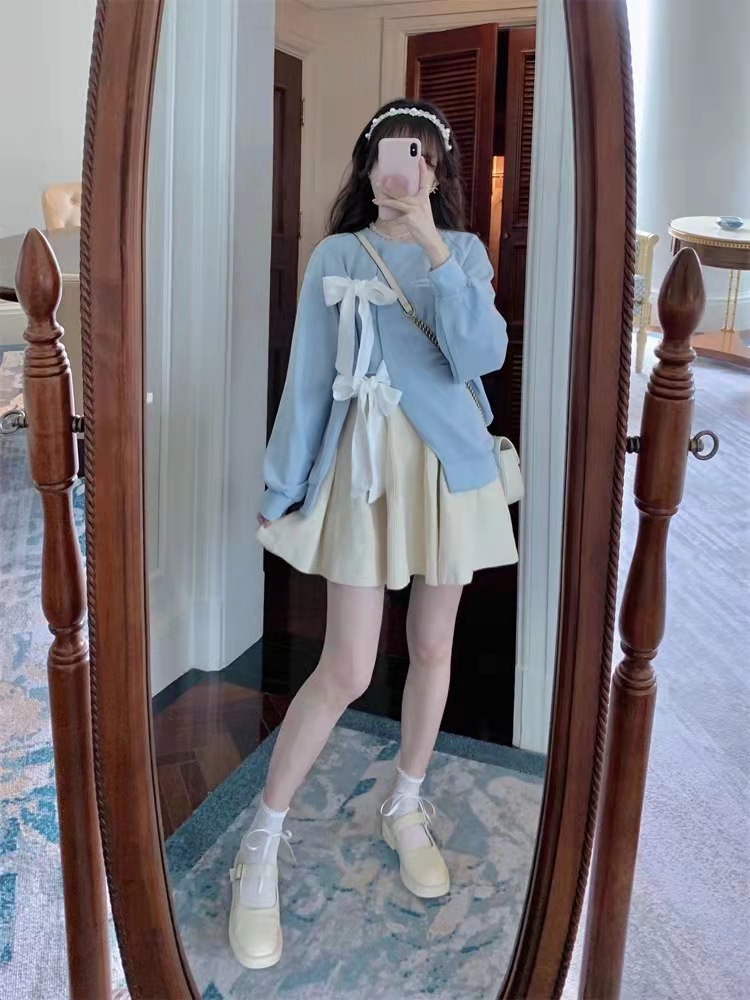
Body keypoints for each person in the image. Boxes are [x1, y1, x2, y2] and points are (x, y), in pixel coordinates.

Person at [228, 98, 518, 969]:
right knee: (348, 667)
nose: (406, 169)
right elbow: (307, 381)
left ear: (440, 172)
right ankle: (260, 841)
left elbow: (482, 356)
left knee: (433, 647)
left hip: (448, 471)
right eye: (394, 153)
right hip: (363, 471)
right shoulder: (334, 256)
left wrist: (432, 244)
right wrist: (281, 486)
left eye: (424, 157)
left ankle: (405, 802)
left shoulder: (462, 252)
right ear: (368, 165)